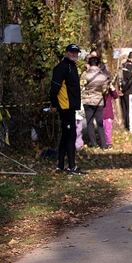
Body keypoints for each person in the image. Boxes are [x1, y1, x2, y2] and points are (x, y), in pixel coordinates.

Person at [49, 44, 88, 175]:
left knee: (66, 135)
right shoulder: (62, 67)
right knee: (71, 135)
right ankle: (72, 167)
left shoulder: (73, 66)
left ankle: (60, 166)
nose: (74, 54)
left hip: (71, 106)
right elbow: (54, 88)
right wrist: (54, 104)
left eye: (76, 52)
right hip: (65, 106)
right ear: (66, 53)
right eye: (72, 52)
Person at [82, 56, 110, 150]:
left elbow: (81, 86)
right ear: (98, 64)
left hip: (87, 100)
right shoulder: (103, 76)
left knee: (89, 123)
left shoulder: (84, 75)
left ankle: (93, 143)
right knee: (100, 123)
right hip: (98, 101)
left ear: (89, 64)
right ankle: (103, 144)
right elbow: (105, 90)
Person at [121, 51, 132, 132]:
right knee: (131, 110)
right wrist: (125, 89)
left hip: (124, 91)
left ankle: (126, 125)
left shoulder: (123, 65)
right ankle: (131, 128)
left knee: (125, 109)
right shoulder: (131, 67)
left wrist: (122, 90)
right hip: (130, 90)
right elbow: (130, 81)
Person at [103, 80, 119, 150]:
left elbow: (115, 96)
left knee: (108, 129)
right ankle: (104, 142)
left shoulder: (109, 90)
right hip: (101, 112)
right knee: (103, 128)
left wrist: (113, 89)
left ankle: (108, 142)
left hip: (108, 113)